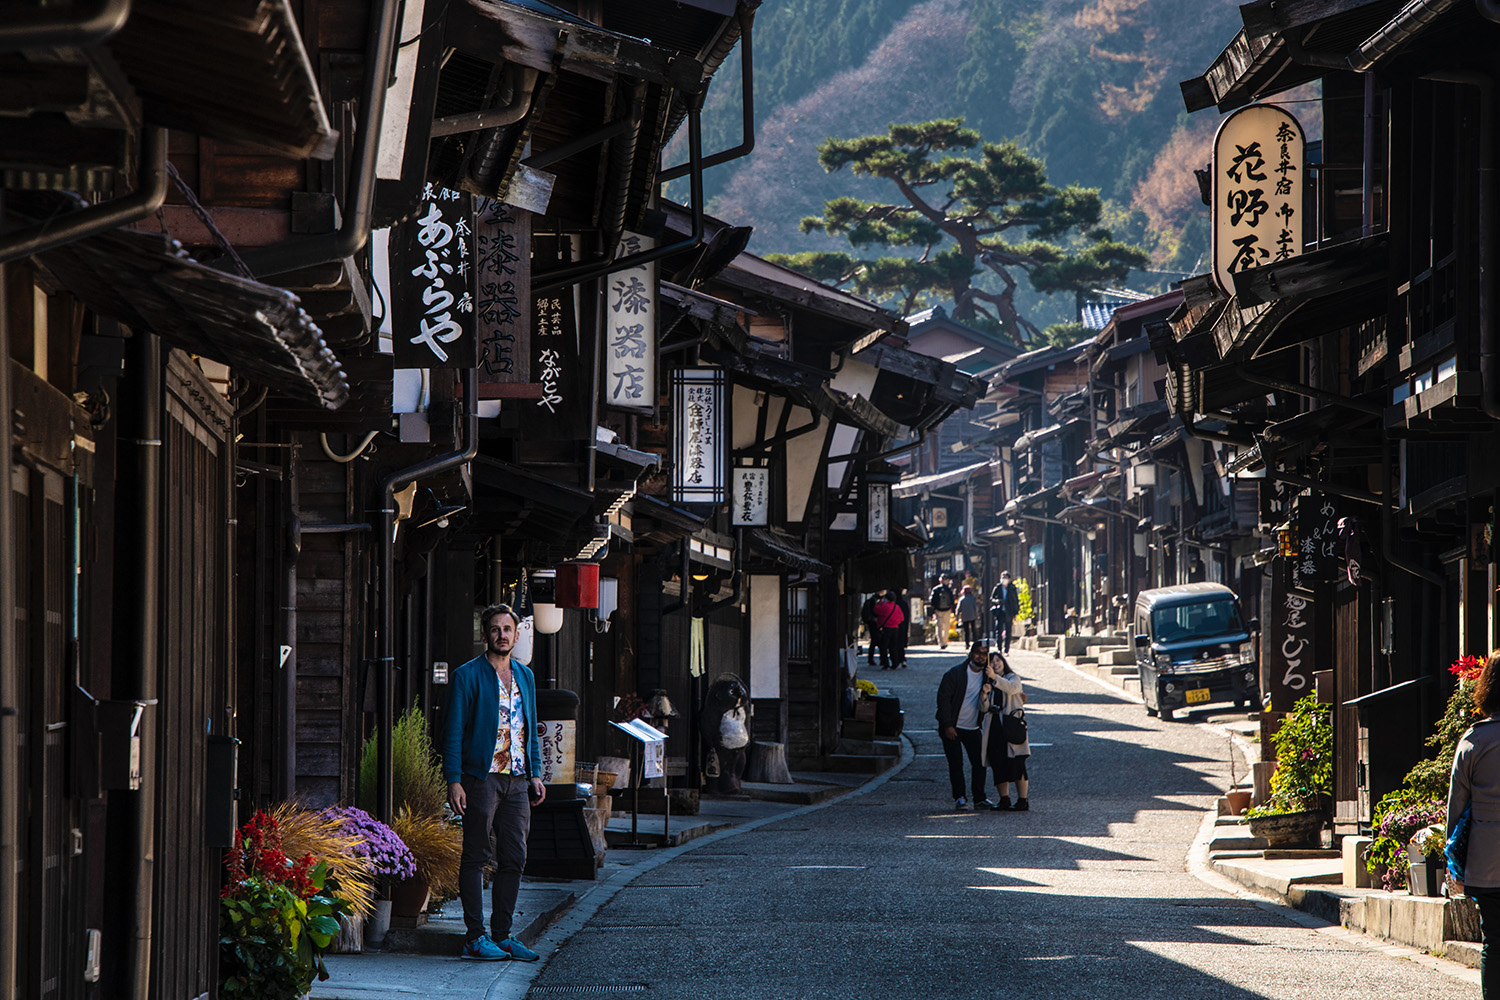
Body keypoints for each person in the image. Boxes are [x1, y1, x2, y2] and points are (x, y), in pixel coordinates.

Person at [442, 604, 546, 962]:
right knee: (476, 855)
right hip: (482, 777)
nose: (502, 634)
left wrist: (536, 773)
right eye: (496, 629)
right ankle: (475, 936)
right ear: (485, 634)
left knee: (515, 856)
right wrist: (454, 781)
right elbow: (453, 732)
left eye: (508, 629)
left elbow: (530, 728)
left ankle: (502, 935)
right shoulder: (466, 676)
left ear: (517, 636)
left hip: (518, 779)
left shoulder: (525, 676)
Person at [1447, 650, 1500, 996]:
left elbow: (1456, 808)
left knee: (1494, 939)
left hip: (1486, 858)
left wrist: (1453, 866)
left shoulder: (1473, 741)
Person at [936, 641, 996, 810]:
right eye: (978, 653)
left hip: (973, 726)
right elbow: (943, 700)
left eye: (985, 654)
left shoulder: (987, 676)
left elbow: (1005, 684)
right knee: (956, 763)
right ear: (970, 653)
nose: (981, 657)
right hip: (953, 726)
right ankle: (960, 797)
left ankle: (979, 797)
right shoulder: (955, 674)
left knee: (980, 762)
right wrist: (947, 725)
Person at [982, 652, 1031, 811]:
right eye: (992, 662)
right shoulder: (988, 682)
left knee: (1018, 762)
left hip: (1011, 724)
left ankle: (1022, 800)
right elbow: (982, 708)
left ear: (1003, 662)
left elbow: (1012, 689)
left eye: (998, 660)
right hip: (994, 726)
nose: (996, 664)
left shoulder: (1012, 677)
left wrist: (995, 678)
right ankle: (1004, 799)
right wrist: (984, 694)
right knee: (997, 762)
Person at [871, 590, 905, 670]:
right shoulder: (897, 607)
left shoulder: (884, 606)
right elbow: (901, 618)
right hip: (895, 628)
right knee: (893, 647)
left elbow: (876, 610)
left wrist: (880, 602)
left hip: (886, 628)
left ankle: (885, 664)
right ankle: (895, 663)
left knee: (883, 647)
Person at [990, 571, 1021, 655]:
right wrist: (996, 601)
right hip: (1000, 611)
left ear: (1009, 579)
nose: (1004, 579)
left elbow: (1015, 600)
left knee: (1008, 631)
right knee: (998, 630)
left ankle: (1006, 649)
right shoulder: (998, 587)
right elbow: (991, 598)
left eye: (1005, 577)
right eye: (1002, 577)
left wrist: (1016, 612)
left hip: (1009, 611)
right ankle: (999, 648)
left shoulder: (1012, 588)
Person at [928, 575, 955, 649]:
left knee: (939, 626)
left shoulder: (936, 589)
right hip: (947, 609)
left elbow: (932, 600)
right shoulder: (949, 590)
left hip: (938, 610)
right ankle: (945, 642)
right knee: (946, 627)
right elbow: (952, 600)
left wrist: (934, 608)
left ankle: (941, 643)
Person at [891, 588, 911, 668]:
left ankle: (896, 660)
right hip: (902, 625)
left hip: (893, 625)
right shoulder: (903, 603)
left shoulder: (893, 604)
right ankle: (902, 659)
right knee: (901, 643)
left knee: (893, 644)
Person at [859, 592, 879, 667]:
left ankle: (872, 658)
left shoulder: (871, 600)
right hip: (874, 622)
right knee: (875, 640)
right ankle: (873, 658)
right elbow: (875, 612)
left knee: (874, 641)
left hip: (871, 622)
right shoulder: (874, 601)